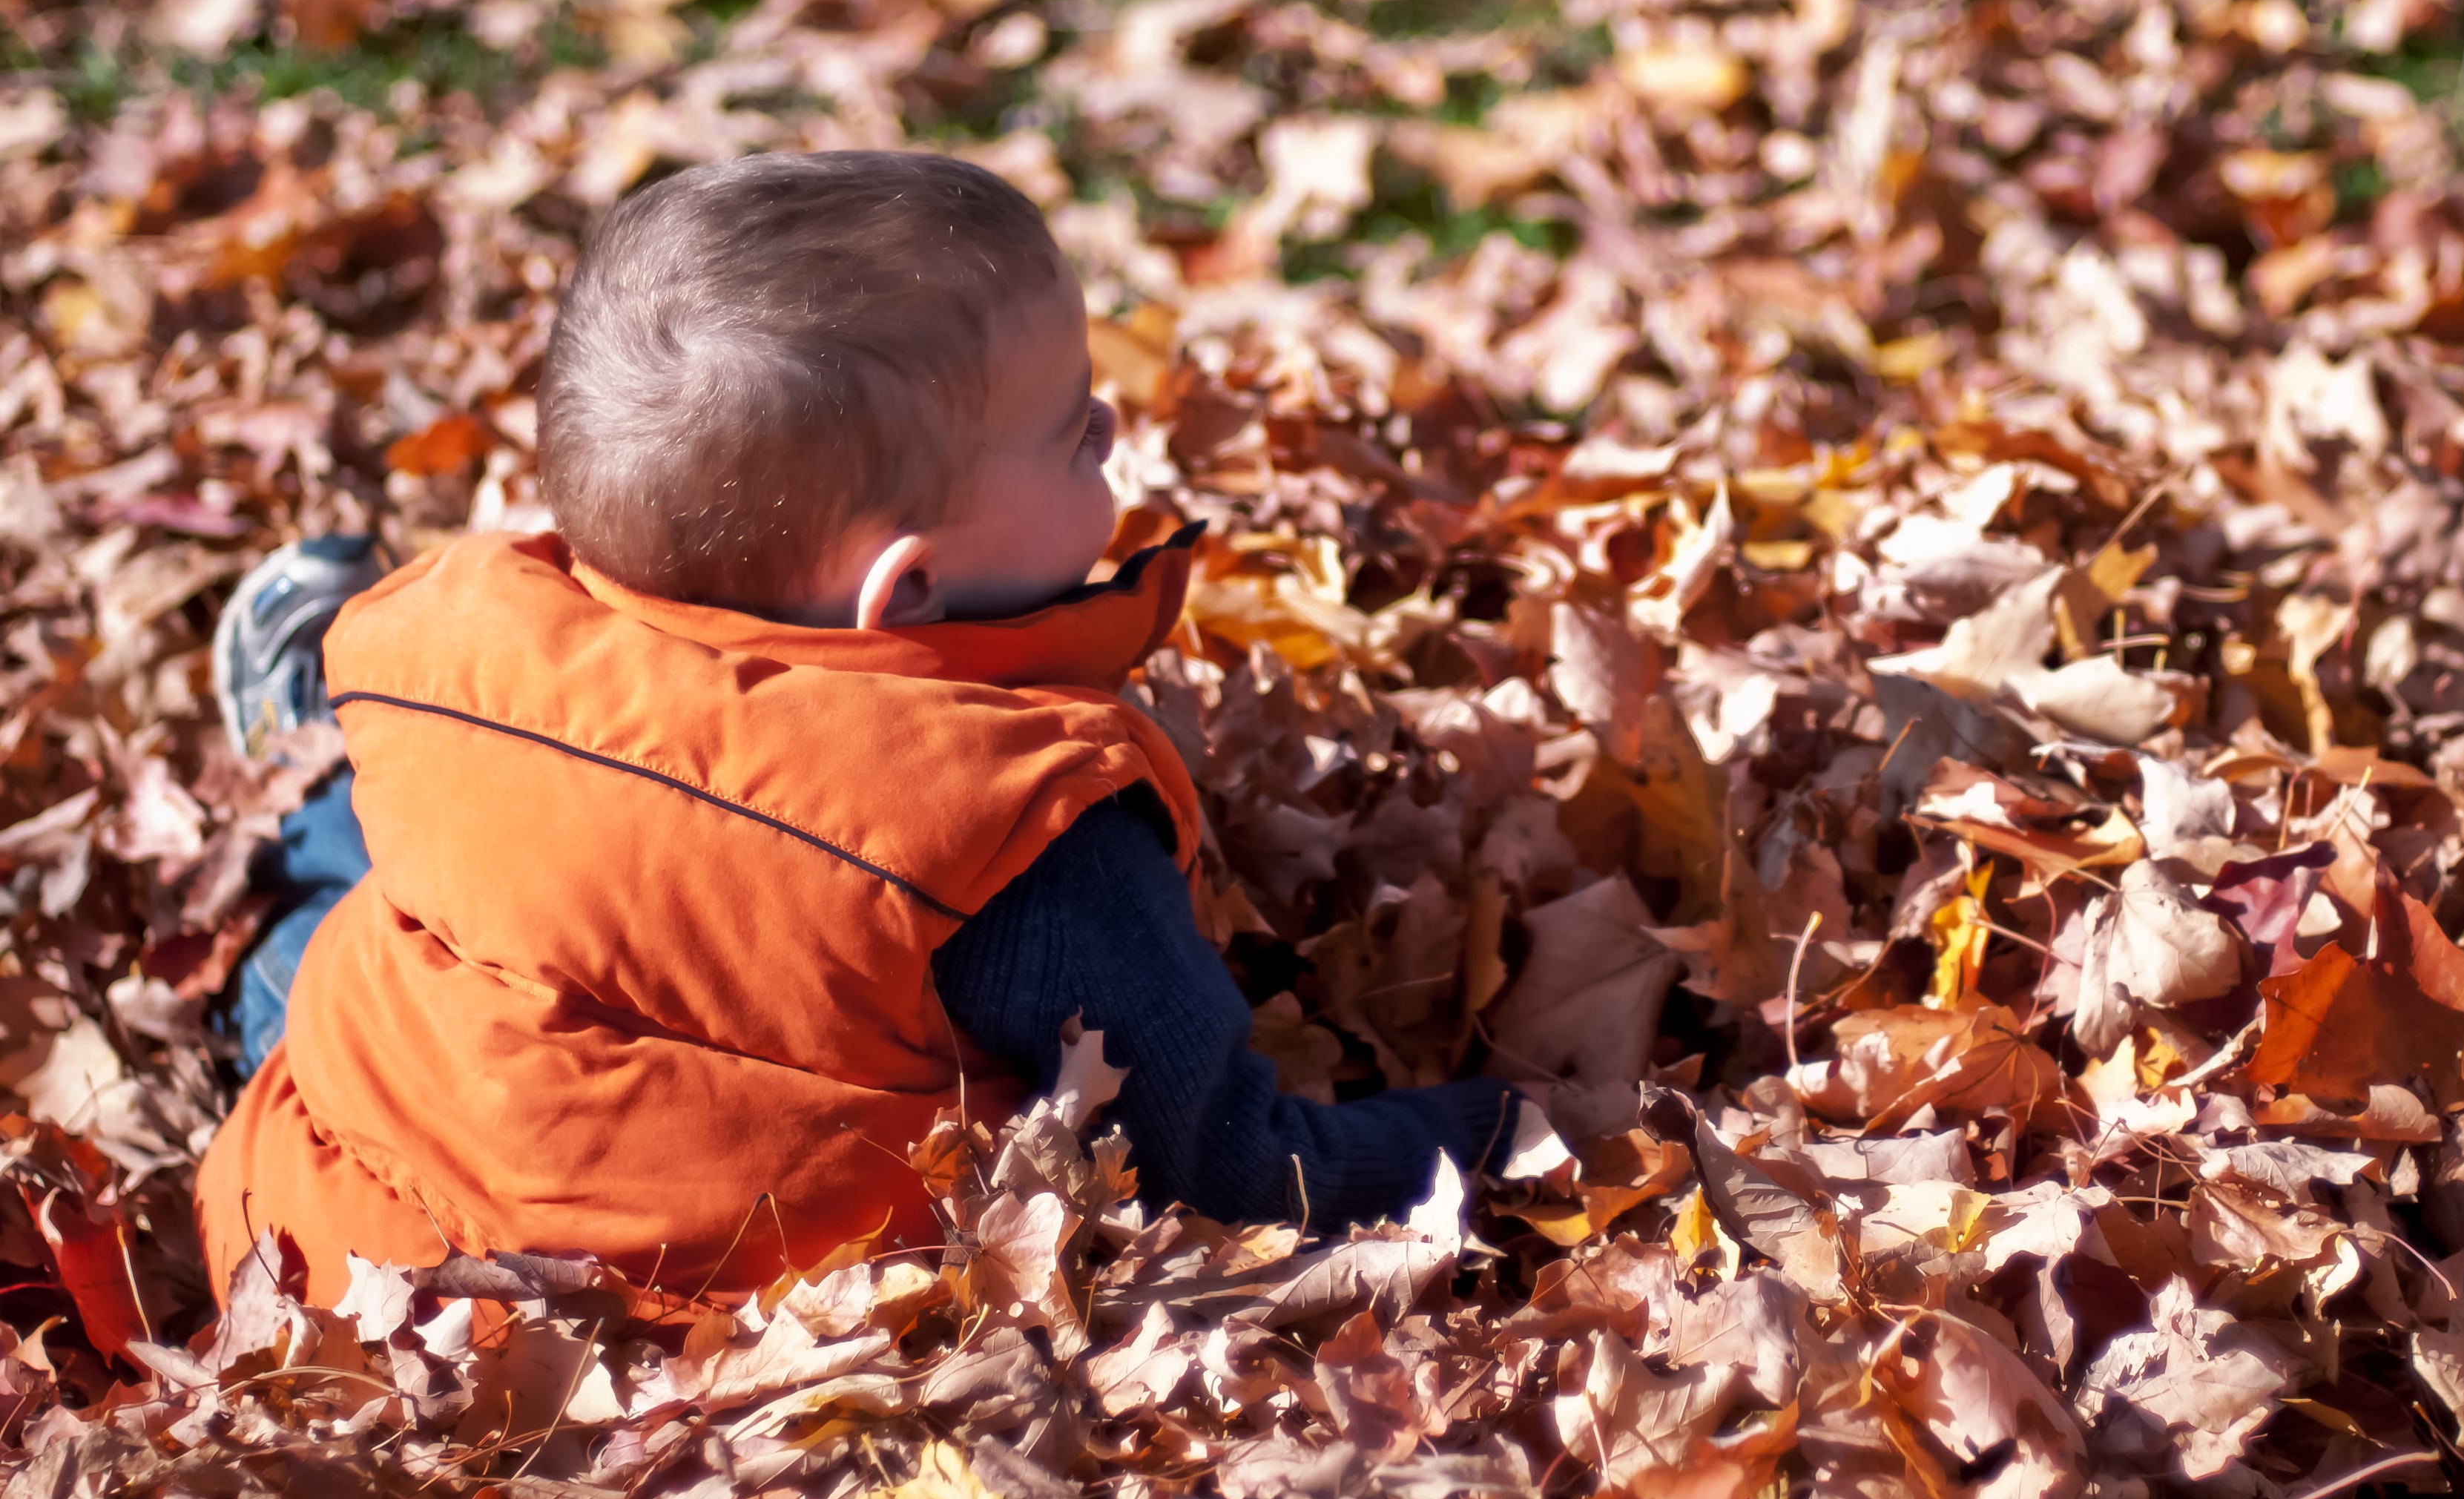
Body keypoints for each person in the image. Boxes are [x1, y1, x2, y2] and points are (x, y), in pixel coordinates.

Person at [194, 151, 1520, 1305]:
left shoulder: (474, 637)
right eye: (1075, 436)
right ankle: (301, 796)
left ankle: (302, 760)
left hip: (315, 1230)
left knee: (413, 899)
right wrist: (1531, 1128)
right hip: (649, 1333)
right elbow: (1234, 1172)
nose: (1115, 426)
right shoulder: (1016, 837)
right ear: (913, 591)